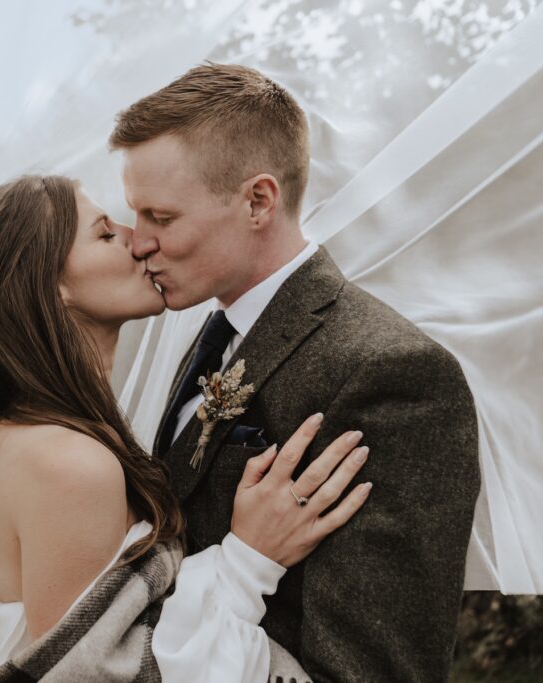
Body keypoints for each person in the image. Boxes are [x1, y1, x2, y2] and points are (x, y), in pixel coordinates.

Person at [110, 63, 481, 681]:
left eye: (162, 218)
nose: (137, 242)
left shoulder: (393, 373)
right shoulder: (214, 334)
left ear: (258, 200)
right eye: (135, 215)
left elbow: (378, 668)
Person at [0, 174, 372, 682]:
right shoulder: (66, 462)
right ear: (51, 284)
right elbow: (93, 674)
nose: (138, 240)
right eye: (105, 234)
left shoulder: (44, 434)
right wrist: (247, 562)